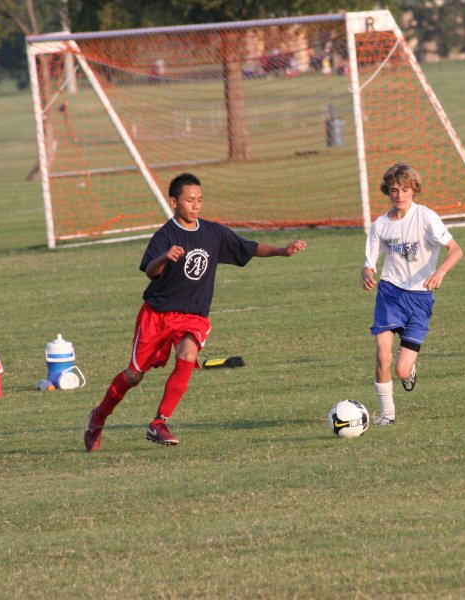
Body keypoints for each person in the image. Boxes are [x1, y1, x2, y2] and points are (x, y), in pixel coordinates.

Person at [84, 173, 307, 451]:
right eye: (190, 200)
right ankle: (99, 417)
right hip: (157, 314)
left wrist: (282, 251)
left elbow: (247, 248)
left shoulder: (212, 233)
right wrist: (165, 257)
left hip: (192, 315)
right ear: (174, 202)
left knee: (188, 355)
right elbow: (150, 271)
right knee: (133, 376)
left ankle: (159, 423)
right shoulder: (165, 236)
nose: (196, 205)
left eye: (200, 200)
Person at [361, 163, 463, 426]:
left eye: (405, 190)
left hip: (419, 298)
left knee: (400, 369)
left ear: (414, 191)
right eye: (394, 190)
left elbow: (456, 250)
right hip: (390, 293)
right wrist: (368, 275)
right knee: (383, 353)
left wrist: (439, 273)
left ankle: (408, 370)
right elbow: (369, 264)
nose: (399, 195)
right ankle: (387, 415)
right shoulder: (380, 225)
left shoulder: (426, 217)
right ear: (387, 191)